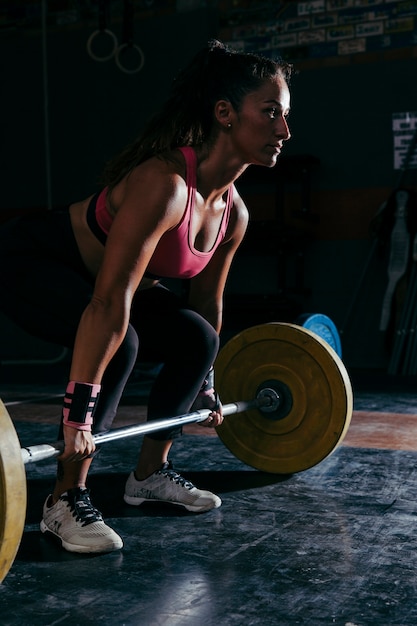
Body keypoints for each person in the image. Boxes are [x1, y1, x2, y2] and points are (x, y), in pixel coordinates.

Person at [0, 39, 292, 554]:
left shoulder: (233, 214)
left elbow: (205, 306)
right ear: (224, 113)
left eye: (285, 116)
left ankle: (149, 476)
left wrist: (206, 387)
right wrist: (76, 421)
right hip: (30, 263)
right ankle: (64, 499)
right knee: (123, 343)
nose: (283, 130)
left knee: (197, 337)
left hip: (100, 288)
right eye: (270, 113)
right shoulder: (166, 185)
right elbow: (110, 305)